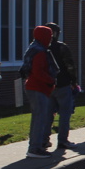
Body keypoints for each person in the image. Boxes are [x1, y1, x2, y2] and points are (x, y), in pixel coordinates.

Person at [22, 25, 58, 158]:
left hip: (34, 87)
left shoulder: (33, 49)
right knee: (39, 119)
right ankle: (35, 148)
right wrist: (51, 80)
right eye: (49, 36)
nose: (51, 39)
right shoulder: (40, 52)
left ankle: (35, 145)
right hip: (38, 88)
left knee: (38, 118)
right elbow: (38, 72)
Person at [46, 22, 78, 149]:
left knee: (48, 114)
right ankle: (63, 140)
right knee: (64, 114)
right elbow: (70, 66)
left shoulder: (41, 48)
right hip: (62, 83)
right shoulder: (62, 47)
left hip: (47, 85)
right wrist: (74, 81)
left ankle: (44, 139)